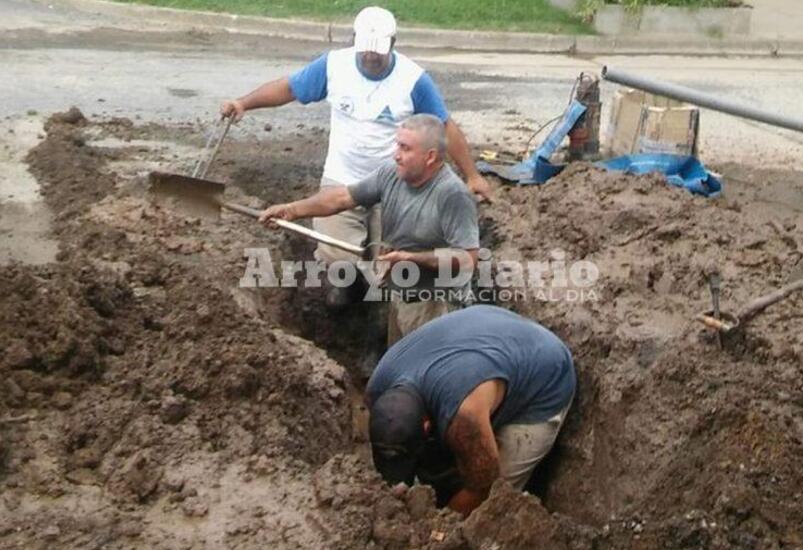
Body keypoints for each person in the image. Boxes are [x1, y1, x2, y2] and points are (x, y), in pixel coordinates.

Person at [222, 6, 492, 308]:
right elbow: (289, 88)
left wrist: (472, 175)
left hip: (394, 185)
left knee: (392, 262)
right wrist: (244, 103)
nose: (371, 57)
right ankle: (345, 287)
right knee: (337, 256)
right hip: (344, 175)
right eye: (365, 50)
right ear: (354, 40)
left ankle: (383, 305)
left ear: (392, 44)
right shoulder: (334, 66)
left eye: (378, 52)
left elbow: (444, 126)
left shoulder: (413, 79)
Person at [259, 113, 480, 371]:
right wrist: (291, 209)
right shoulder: (391, 174)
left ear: (430, 157)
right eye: (397, 145)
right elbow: (342, 198)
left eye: (405, 148)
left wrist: (412, 258)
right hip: (402, 295)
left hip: (437, 305)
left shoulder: (452, 195)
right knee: (401, 369)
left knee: (428, 375)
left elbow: (468, 259)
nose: (396, 154)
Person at [366, 305, 577, 517]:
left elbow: (483, 488)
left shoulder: (464, 418)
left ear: (427, 424)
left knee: (493, 502)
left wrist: (437, 528)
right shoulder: (377, 387)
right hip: (486, 333)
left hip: (543, 374)